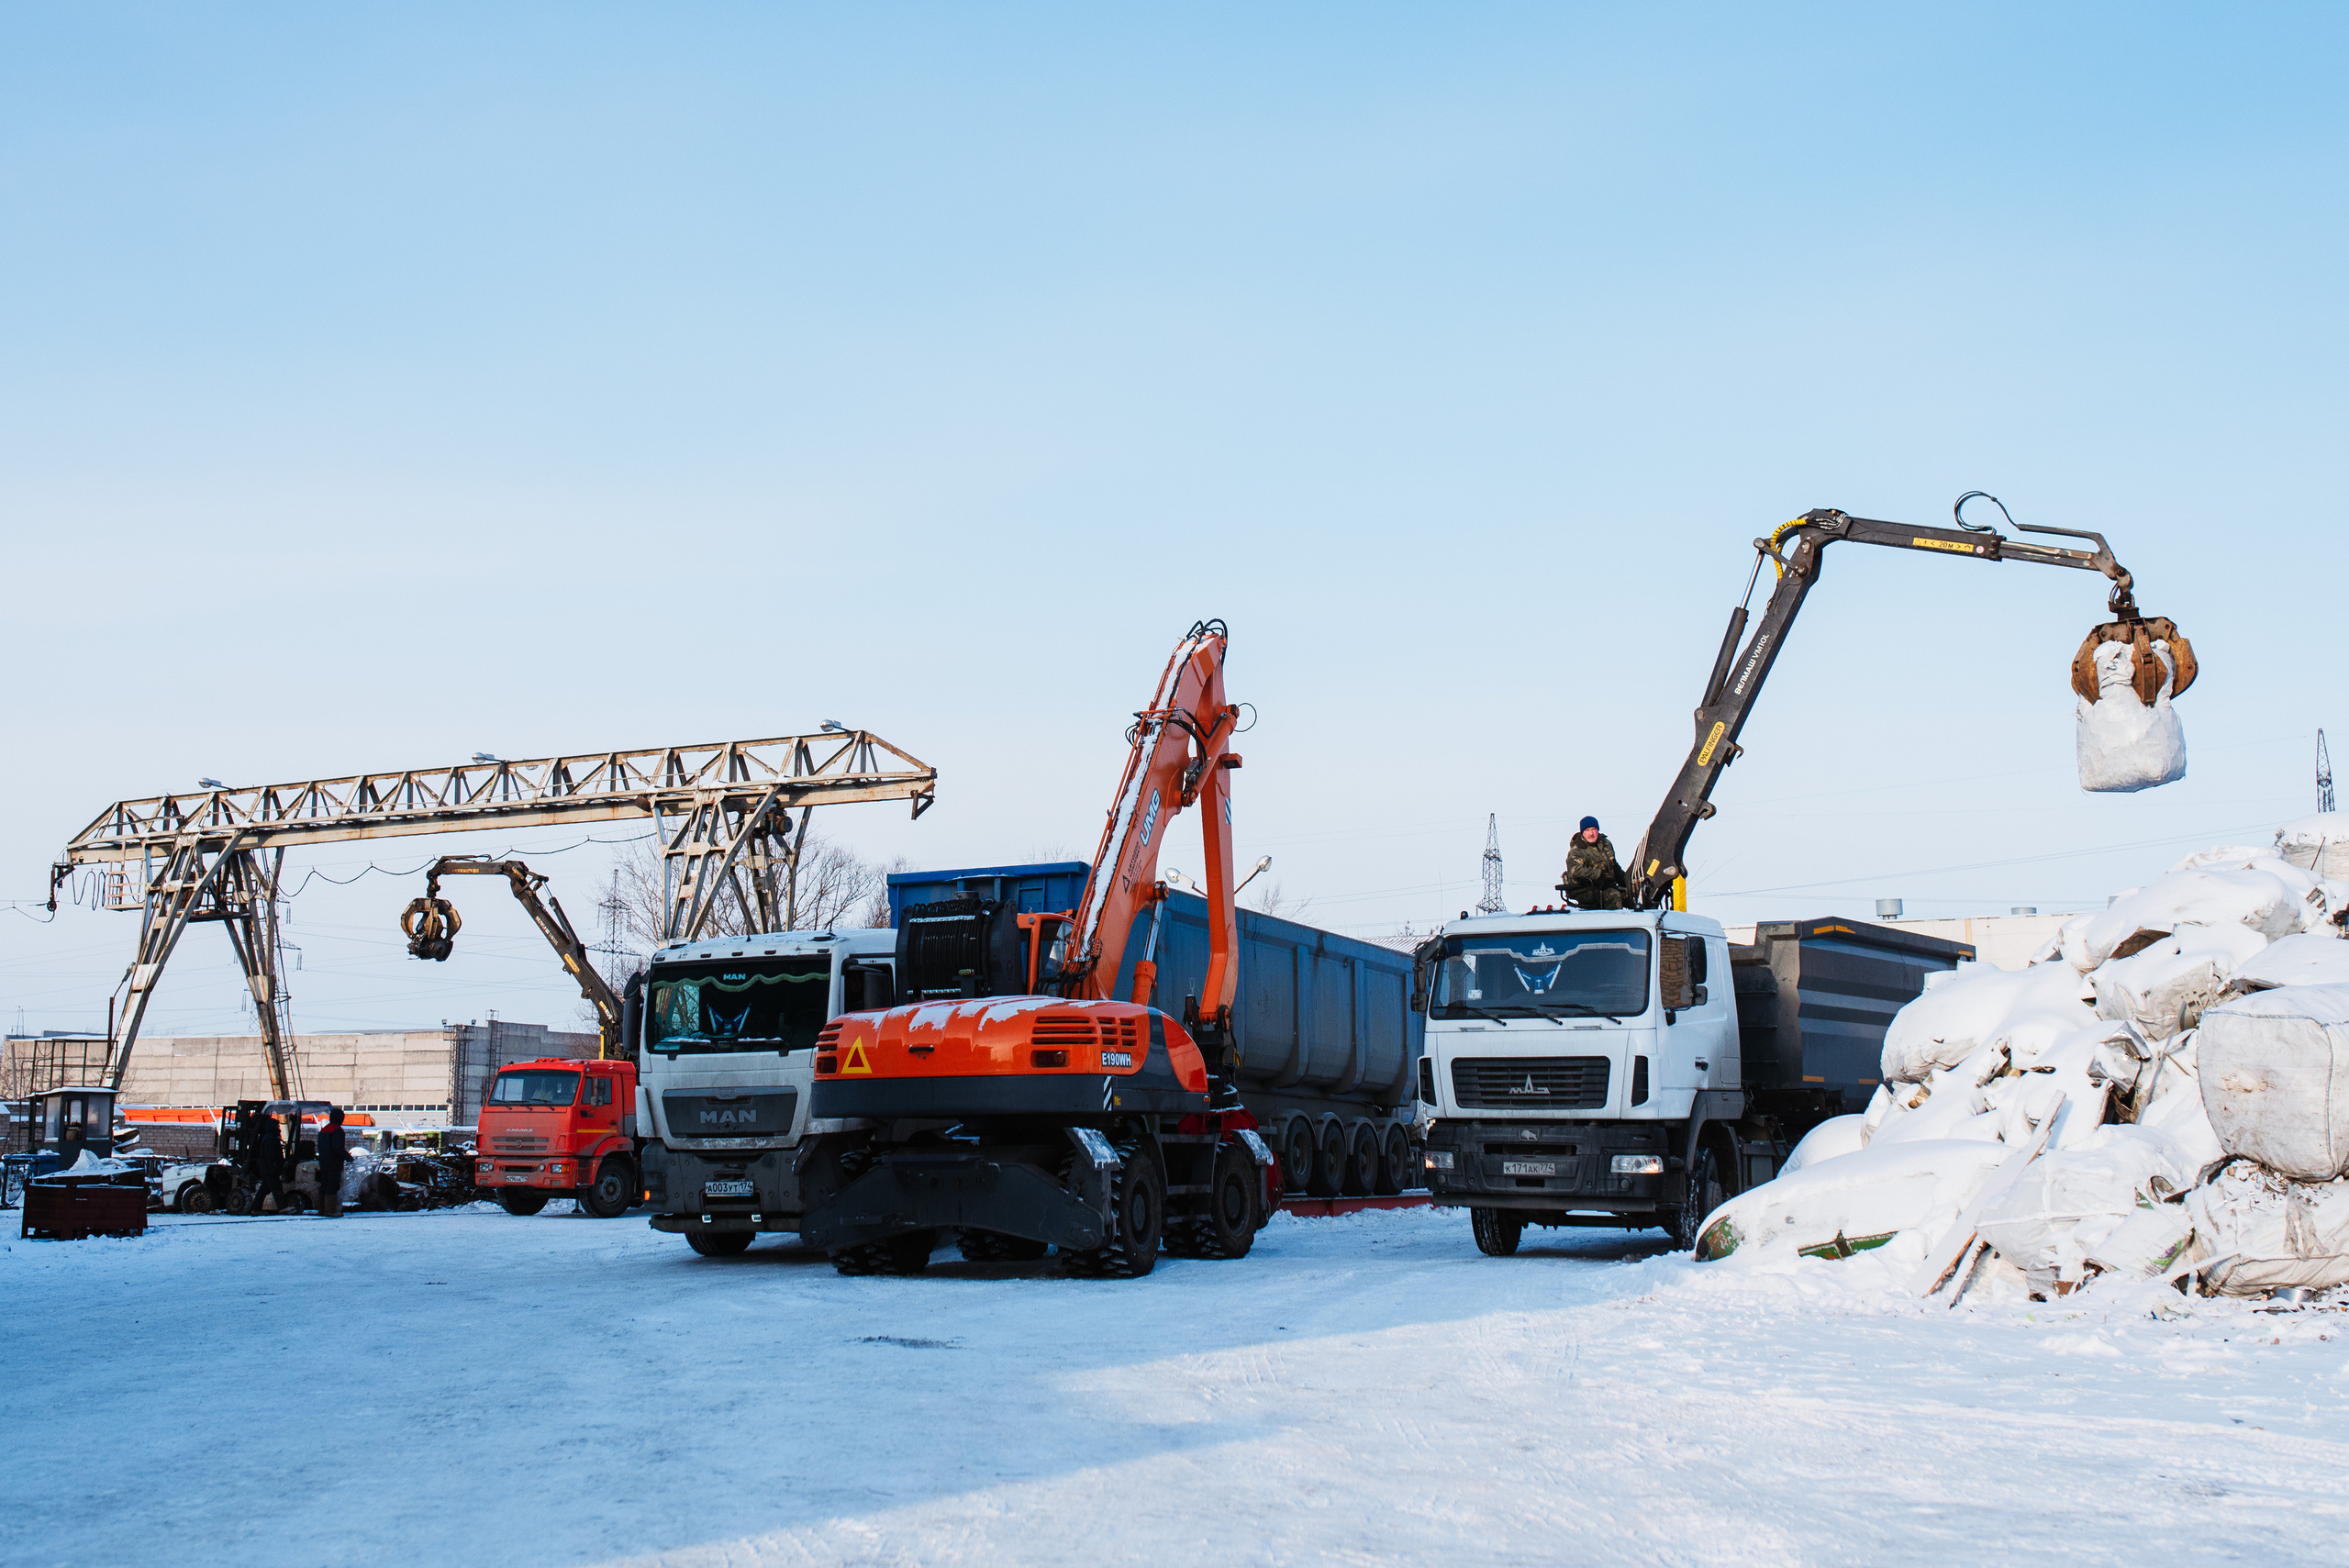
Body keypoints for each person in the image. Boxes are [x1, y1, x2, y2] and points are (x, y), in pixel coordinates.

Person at [1559, 816, 1629, 910]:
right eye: (1587, 830)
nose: (1591, 833)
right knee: (1613, 895)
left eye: (1594, 829)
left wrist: (1628, 881)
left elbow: (1614, 866)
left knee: (1632, 894)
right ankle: (1613, 923)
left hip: (1606, 886)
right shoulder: (1577, 850)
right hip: (1585, 889)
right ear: (1582, 832)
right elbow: (1575, 871)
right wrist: (1597, 874)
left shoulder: (1605, 844)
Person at [246, 1109, 285, 1215]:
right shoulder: (270, 1139)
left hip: (267, 1169)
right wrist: (274, 1167)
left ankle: (256, 1209)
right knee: (277, 1188)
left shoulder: (269, 1137)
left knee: (264, 1190)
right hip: (270, 1170)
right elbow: (270, 1156)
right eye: (277, 1126)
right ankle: (283, 1207)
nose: (279, 1129)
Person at [316, 1107, 349, 1218]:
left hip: (323, 1162)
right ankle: (330, 1211)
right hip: (334, 1163)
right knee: (333, 1186)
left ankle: (322, 1210)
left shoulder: (324, 1130)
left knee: (324, 1185)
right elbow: (337, 1148)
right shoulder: (337, 1130)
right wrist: (348, 1157)